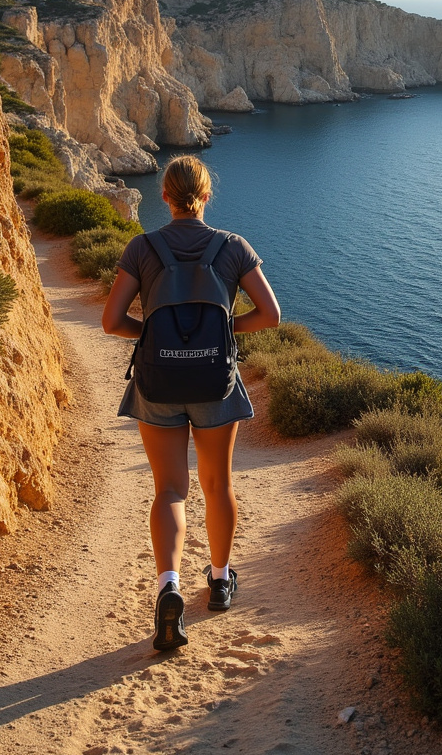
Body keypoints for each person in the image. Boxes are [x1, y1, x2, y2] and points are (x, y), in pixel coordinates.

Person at [102, 155, 281, 650]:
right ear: (205, 196)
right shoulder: (233, 247)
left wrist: (154, 343)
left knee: (170, 491)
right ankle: (220, 581)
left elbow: (111, 322)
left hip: (157, 383)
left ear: (164, 196)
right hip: (215, 384)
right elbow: (271, 315)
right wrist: (225, 332)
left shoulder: (143, 247)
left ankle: (169, 587)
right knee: (217, 483)